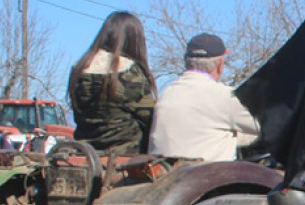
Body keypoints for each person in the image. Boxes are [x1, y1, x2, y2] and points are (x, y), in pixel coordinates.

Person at [149, 33, 261, 162]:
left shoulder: (167, 93)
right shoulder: (224, 97)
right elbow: (268, 124)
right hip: (208, 178)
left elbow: (200, 133)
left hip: (165, 176)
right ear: (220, 64)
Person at [68, 11, 156, 153]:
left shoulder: (78, 70)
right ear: (134, 40)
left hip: (85, 156)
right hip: (127, 160)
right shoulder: (130, 72)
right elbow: (151, 121)